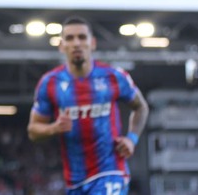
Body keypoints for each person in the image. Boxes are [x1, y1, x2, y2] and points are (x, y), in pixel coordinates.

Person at [27, 16, 149, 195]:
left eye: (82, 37)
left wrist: (132, 139)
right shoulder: (49, 83)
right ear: (61, 46)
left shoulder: (114, 77)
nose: (76, 43)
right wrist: (54, 128)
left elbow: (141, 107)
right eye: (69, 38)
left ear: (92, 43)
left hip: (111, 171)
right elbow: (33, 130)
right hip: (75, 181)